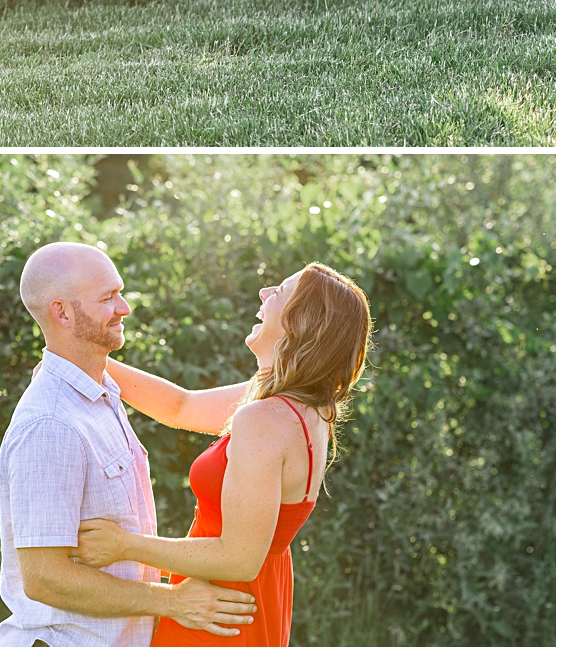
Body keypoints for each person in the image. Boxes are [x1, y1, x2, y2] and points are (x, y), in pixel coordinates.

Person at [71, 262, 372, 647]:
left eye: (278, 292)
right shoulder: (299, 406)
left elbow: (239, 558)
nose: (264, 294)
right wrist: (83, 360)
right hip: (244, 599)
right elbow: (180, 407)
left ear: (300, 323)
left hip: (219, 608)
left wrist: (124, 544)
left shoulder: (265, 419)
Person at [0, 241, 259, 647]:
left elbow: (180, 404)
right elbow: (45, 578)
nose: (125, 308)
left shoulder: (102, 392)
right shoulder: (50, 424)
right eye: (108, 298)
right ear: (61, 312)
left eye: (119, 292)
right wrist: (171, 601)